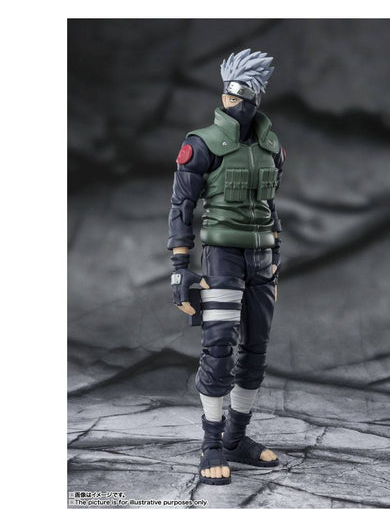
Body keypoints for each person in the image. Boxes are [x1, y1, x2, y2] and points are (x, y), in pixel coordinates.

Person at [167, 49, 286, 485]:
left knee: (255, 352)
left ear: (255, 96)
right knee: (219, 349)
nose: (233, 101)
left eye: (242, 94)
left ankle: (235, 439)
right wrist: (180, 267)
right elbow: (181, 206)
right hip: (222, 258)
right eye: (230, 93)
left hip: (261, 261)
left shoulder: (272, 147)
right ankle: (211, 444)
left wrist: (275, 260)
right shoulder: (201, 144)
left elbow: (270, 207)